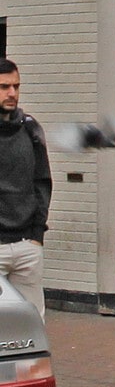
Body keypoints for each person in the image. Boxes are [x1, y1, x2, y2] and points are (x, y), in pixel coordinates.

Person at [0, 60, 52, 319]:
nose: (12, 93)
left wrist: (37, 234)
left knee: (32, 324)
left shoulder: (30, 129)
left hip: (26, 246)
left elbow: (42, 181)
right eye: (4, 86)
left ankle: (30, 363)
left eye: (16, 86)